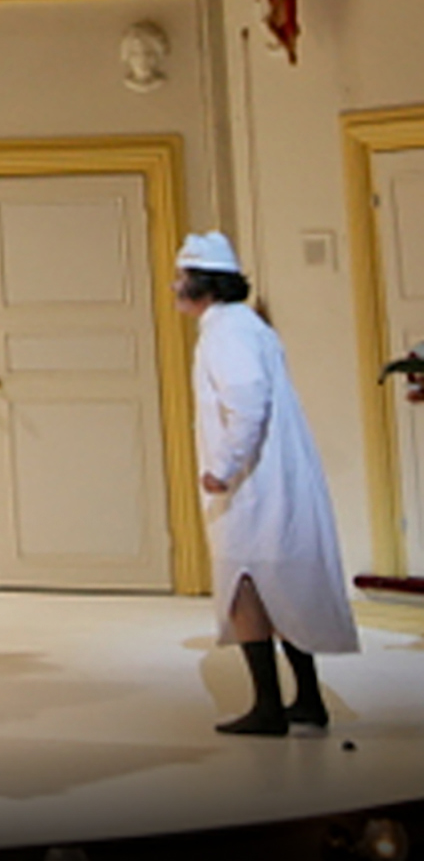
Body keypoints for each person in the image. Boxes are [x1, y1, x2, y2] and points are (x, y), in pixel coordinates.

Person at [174, 232, 358, 736]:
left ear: (202, 284)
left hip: (252, 483)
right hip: (267, 476)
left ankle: (269, 707)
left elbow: (248, 403)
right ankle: (307, 699)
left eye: (182, 278)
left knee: (247, 585)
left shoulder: (227, 333)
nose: (175, 287)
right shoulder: (244, 326)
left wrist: (226, 467)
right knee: (280, 585)